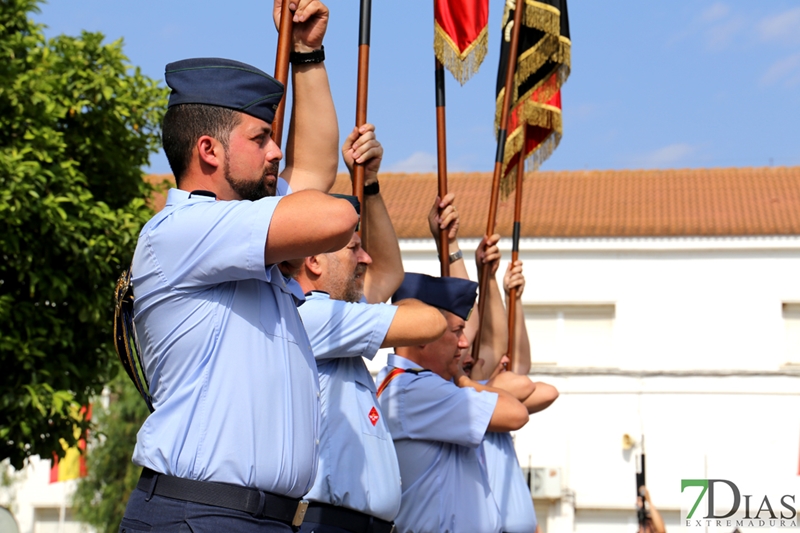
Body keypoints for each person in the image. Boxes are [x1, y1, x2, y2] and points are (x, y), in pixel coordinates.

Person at [119, 2, 358, 531]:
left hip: (248, 516)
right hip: (201, 513)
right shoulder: (186, 230)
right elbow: (334, 214)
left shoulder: (235, 228)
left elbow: (317, 168)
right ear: (208, 150)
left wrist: (307, 54)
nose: (276, 152)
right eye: (261, 138)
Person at [293, 125, 446, 533]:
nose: (365, 257)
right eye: (351, 247)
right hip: (324, 522)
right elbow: (430, 322)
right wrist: (418, 308)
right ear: (313, 262)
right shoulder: (313, 316)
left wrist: (372, 185)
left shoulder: (338, 313)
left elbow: (389, 272)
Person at [376, 274, 530, 533]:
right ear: (423, 335)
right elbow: (516, 413)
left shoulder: (416, 386)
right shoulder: (416, 389)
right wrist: (464, 379)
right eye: (456, 331)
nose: (464, 342)